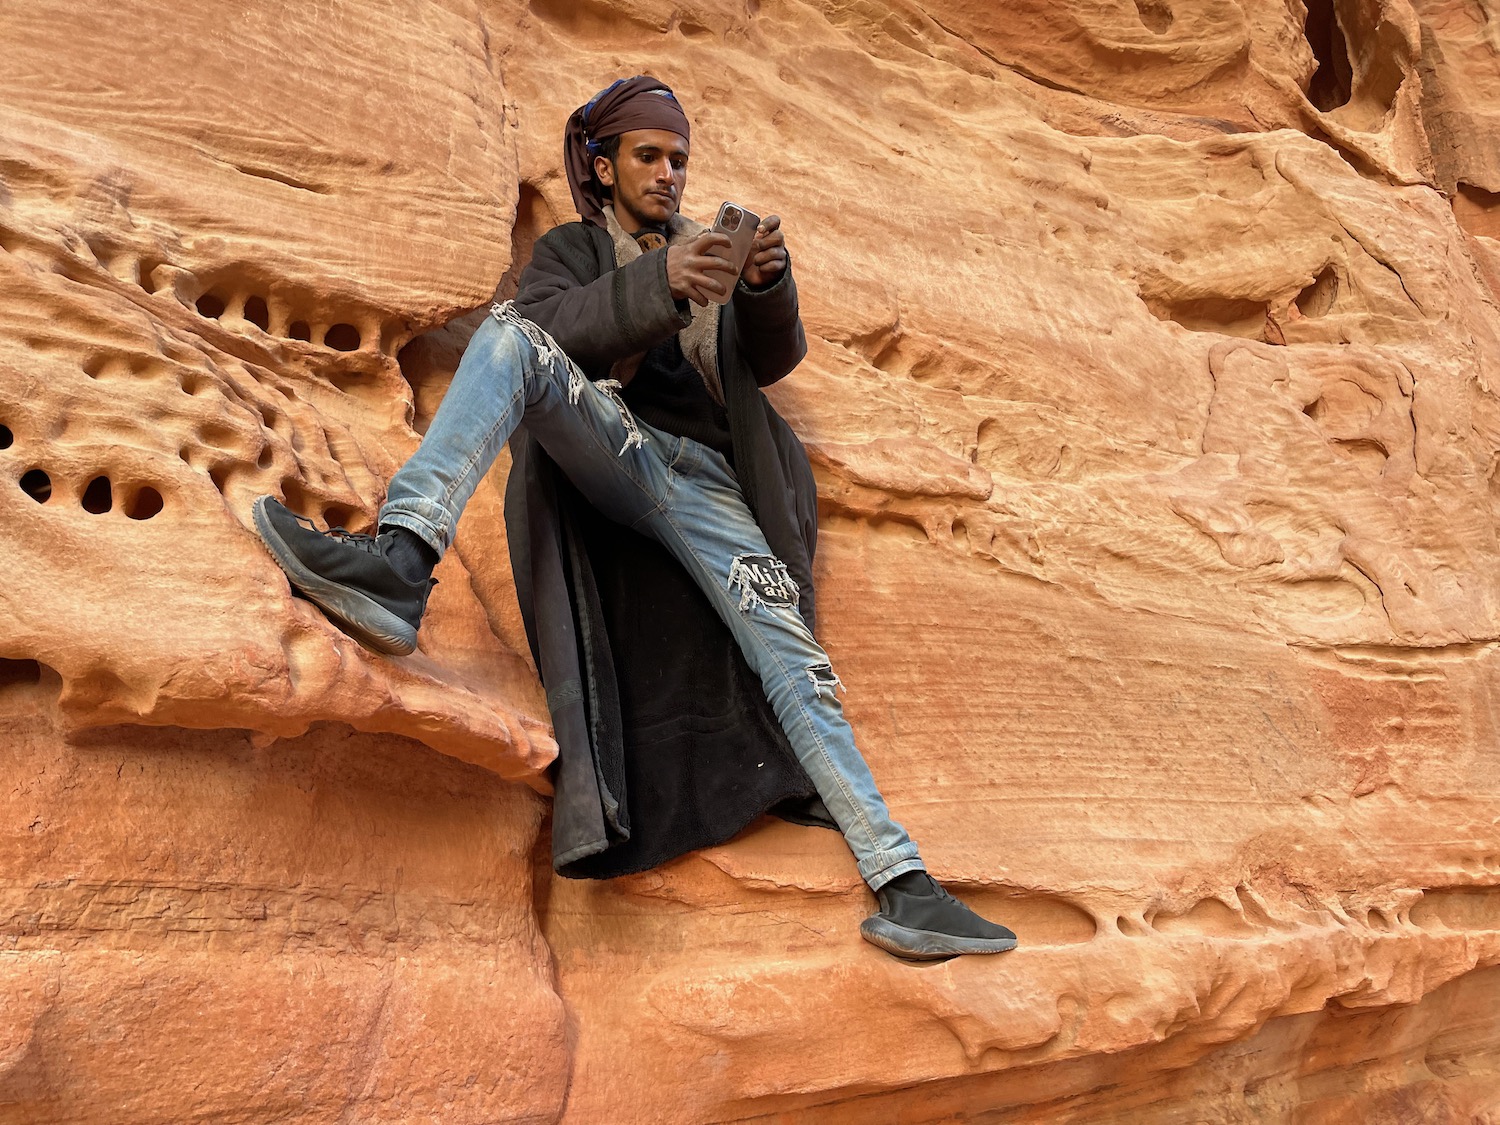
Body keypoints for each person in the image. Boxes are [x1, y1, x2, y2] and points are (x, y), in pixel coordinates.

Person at [251, 75, 1016, 961]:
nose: (668, 174)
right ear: (604, 164)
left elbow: (767, 363)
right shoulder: (575, 248)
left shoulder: (705, 248)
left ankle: (905, 883)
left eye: (679, 159)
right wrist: (657, 282)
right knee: (508, 334)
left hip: (716, 489)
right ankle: (402, 559)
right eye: (649, 156)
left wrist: (765, 286)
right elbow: (539, 330)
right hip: (619, 446)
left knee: (795, 662)